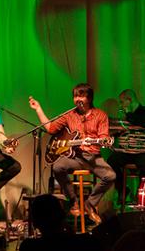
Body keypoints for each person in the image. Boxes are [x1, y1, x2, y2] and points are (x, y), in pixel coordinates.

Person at [29, 83, 116, 225]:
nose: (77, 99)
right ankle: (73, 201)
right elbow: (50, 128)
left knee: (110, 176)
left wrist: (100, 141)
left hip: (93, 157)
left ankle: (89, 204)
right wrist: (38, 109)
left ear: (89, 98)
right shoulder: (69, 115)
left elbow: (103, 137)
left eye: (81, 96)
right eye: (75, 96)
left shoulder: (100, 115)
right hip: (75, 157)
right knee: (58, 167)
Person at [106, 88, 145, 204]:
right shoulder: (125, 118)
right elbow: (118, 132)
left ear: (129, 100)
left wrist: (127, 115)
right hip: (128, 152)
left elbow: (144, 122)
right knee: (112, 161)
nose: (120, 105)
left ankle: (141, 192)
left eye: (122, 102)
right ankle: (122, 190)